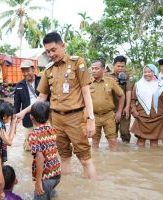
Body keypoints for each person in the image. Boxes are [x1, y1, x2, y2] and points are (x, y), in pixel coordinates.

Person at [17, 32, 97, 179]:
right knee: (64, 157)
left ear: (63, 45)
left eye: (53, 50)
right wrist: (22, 113)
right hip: (56, 120)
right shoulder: (48, 70)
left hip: (76, 118)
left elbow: (86, 93)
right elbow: (41, 98)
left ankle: (91, 190)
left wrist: (91, 119)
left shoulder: (77, 63)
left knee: (85, 158)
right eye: (47, 51)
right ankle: (67, 189)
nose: (51, 54)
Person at [130, 64, 163, 148]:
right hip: (141, 117)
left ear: (154, 72)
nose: (147, 74)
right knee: (140, 141)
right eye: (145, 72)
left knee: (154, 143)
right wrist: (134, 112)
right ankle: (141, 161)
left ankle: (153, 161)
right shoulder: (138, 85)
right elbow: (133, 100)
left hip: (158, 117)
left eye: (149, 72)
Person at [28, 102, 61, 200]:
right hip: (57, 173)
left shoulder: (33, 135)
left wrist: (38, 181)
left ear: (31, 117)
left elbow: (40, 158)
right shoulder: (53, 130)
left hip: (45, 177)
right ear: (48, 117)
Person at [90, 60, 125, 151]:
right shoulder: (88, 82)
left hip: (108, 115)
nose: (93, 70)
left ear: (103, 69)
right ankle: (96, 162)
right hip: (94, 116)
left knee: (112, 140)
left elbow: (121, 95)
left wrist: (119, 112)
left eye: (96, 68)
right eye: (92, 68)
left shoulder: (110, 81)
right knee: (95, 141)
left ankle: (113, 161)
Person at [14, 59, 41, 151]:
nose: (25, 74)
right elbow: (16, 105)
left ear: (33, 70)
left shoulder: (41, 81)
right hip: (27, 117)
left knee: (44, 143)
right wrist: (14, 122)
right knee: (29, 148)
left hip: (42, 116)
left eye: (27, 71)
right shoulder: (19, 85)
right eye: (23, 71)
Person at [108, 56, 133, 143]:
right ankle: (113, 152)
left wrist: (127, 107)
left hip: (124, 109)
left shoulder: (127, 76)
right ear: (113, 65)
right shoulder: (107, 76)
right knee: (112, 133)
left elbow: (128, 91)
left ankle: (126, 148)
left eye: (122, 66)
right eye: (118, 66)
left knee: (125, 131)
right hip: (111, 108)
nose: (120, 68)